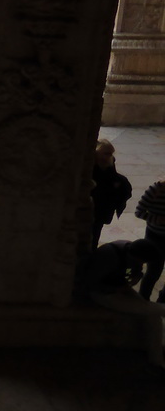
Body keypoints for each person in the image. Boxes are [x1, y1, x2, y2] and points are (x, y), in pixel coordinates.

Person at [80, 238, 165, 375]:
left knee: (153, 316)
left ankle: (157, 361)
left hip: (119, 288)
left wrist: (136, 276)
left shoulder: (131, 251)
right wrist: (115, 289)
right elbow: (90, 283)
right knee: (150, 309)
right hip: (102, 294)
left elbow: (132, 273)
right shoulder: (108, 255)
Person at [91, 138, 132, 250]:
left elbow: (112, 178)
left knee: (95, 235)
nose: (108, 157)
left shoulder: (109, 162)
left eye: (110, 154)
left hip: (102, 209)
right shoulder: (90, 164)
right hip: (91, 205)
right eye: (106, 153)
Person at [135, 175, 165, 301]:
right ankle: (143, 301)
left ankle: (162, 302)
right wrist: (157, 220)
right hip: (155, 237)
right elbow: (139, 212)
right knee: (153, 271)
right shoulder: (155, 190)